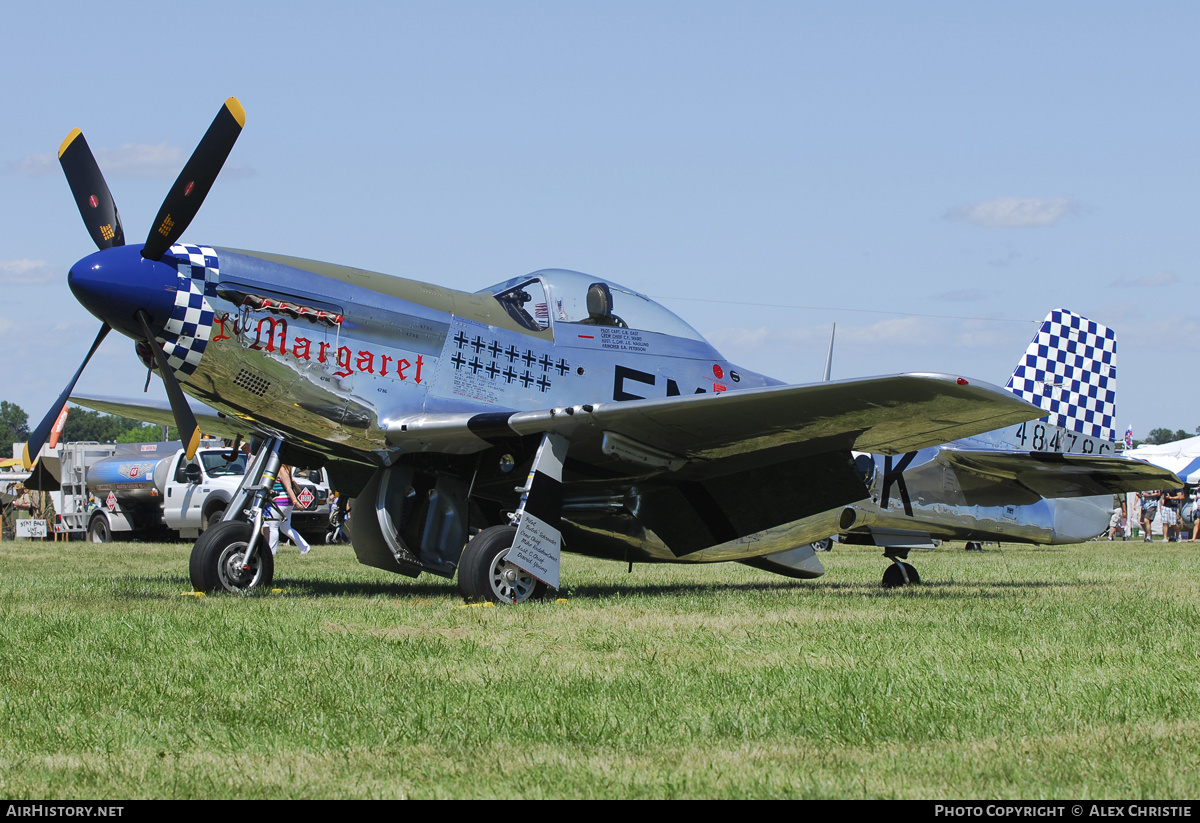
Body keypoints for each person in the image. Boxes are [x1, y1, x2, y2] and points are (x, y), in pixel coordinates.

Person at [263, 463, 311, 555]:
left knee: (273, 526)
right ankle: (305, 547)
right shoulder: (285, 469)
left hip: (280, 501)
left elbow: (289, 488)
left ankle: (271, 552)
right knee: (286, 528)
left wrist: (296, 502)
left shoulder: (281, 469)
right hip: (286, 502)